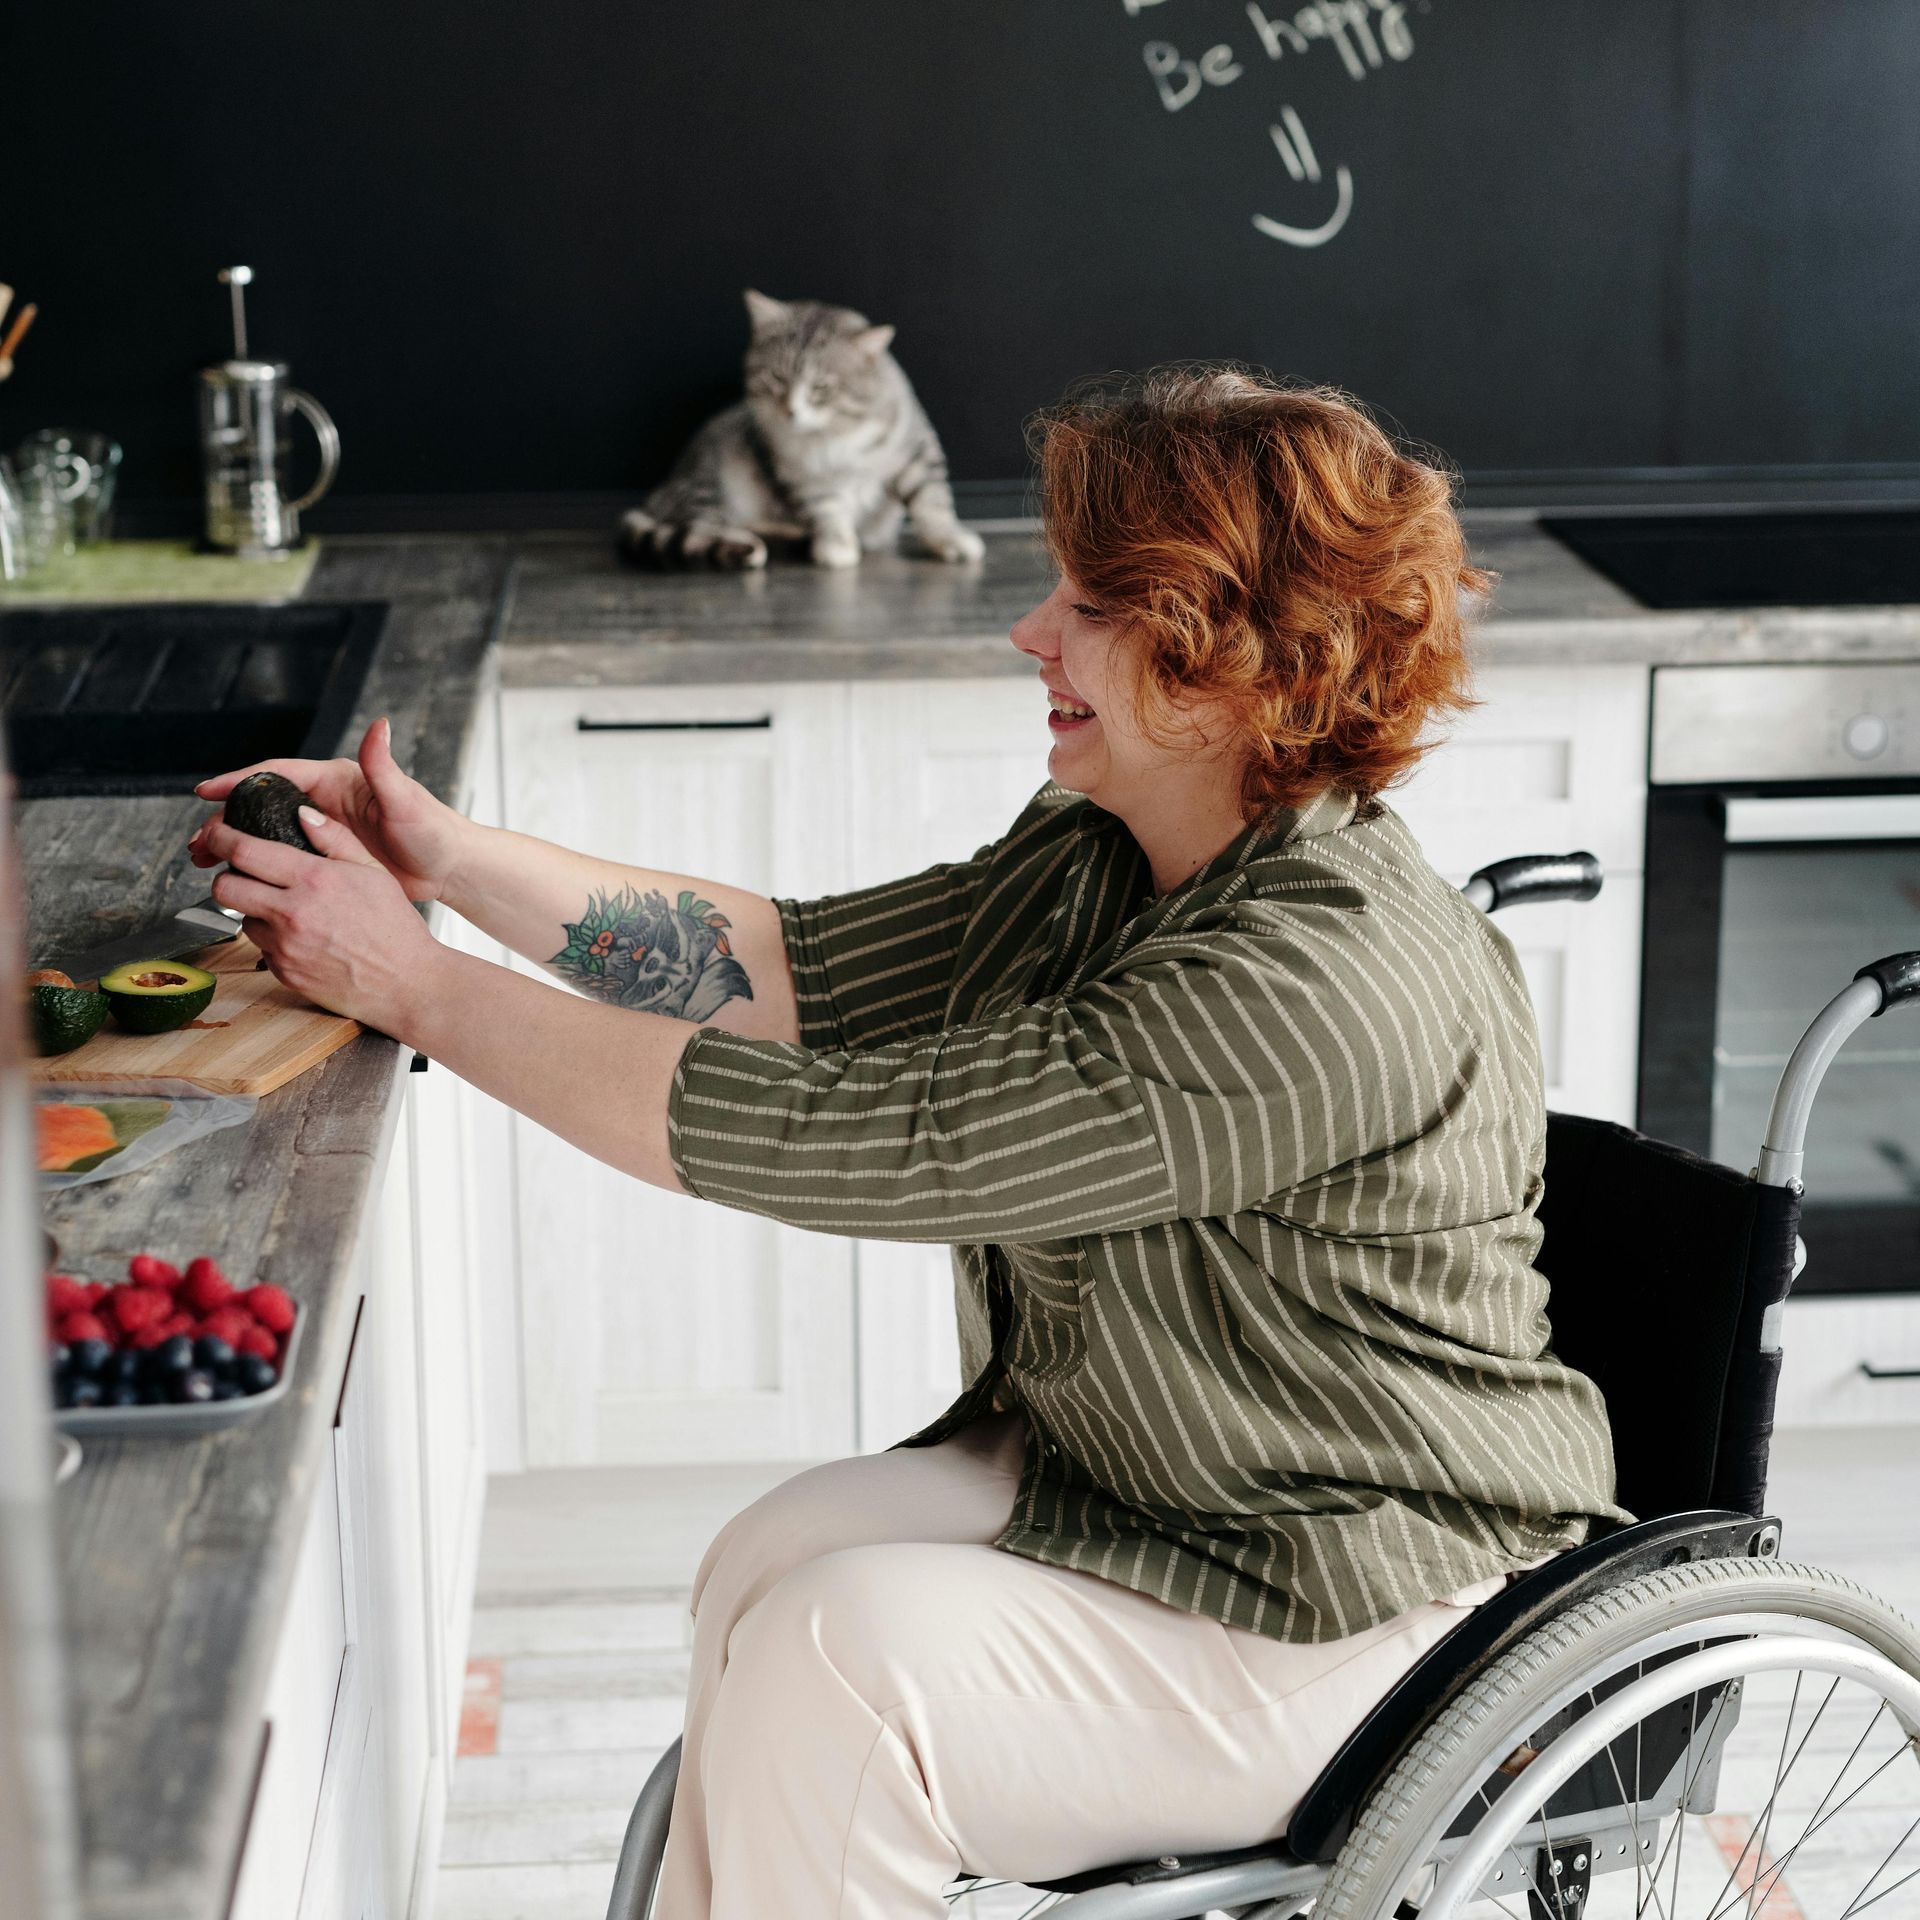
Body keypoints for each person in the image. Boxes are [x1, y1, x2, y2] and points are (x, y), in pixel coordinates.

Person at [189, 367, 1626, 1920]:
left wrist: (410, 980)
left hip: (1357, 1588)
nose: (1032, 632)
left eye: (1091, 602)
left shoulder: (1309, 982)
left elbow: (844, 1136)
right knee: (771, 1561)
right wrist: (450, 860)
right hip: (1184, 1476)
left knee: (841, 1670)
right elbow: (790, 972)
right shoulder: (1108, 854)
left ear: (1228, 665)